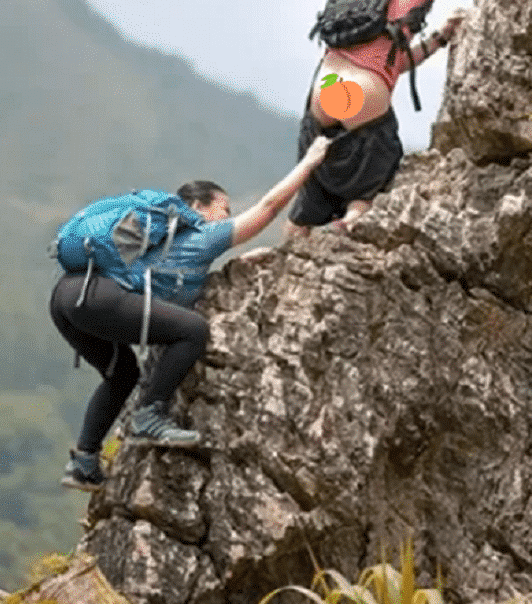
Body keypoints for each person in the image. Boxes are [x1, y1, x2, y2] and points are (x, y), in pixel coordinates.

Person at [50, 134, 329, 491]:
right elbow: (269, 208)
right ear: (198, 207)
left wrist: (238, 265)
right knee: (194, 330)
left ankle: (84, 463)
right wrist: (310, 162)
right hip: (99, 297)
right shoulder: (200, 234)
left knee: (121, 374)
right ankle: (149, 417)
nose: (225, 217)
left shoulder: (159, 241)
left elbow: (168, 286)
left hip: (67, 296)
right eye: (222, 208)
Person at [286, 0, 509, 236]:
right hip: (362, 96)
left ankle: (292, 247)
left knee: (306, 204)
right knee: (377, 173)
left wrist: (440, 38)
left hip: (325, 93)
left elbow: (393, 64)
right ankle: (349, 222)